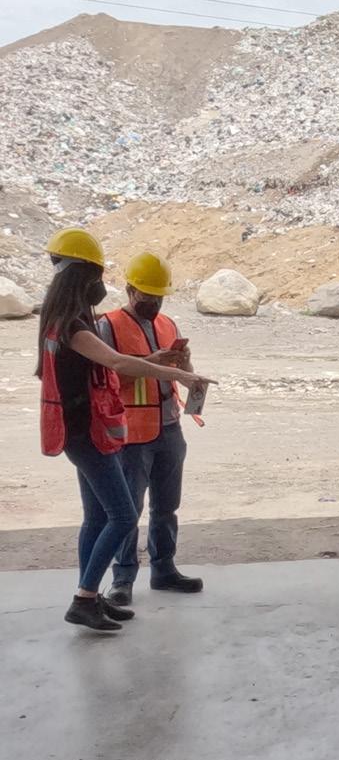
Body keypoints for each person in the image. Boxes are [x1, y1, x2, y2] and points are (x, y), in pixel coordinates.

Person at [36, 229, 213, 631]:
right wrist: (172, 371)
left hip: (92, 431)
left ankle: (92, 596)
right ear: (84, 278)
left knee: (97, 518)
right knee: (123, 514)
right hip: (93, 434)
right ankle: (86, 598)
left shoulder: (65, 321)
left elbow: (102, 366)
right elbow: (117, 364)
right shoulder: (76, 326)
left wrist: (171, 365)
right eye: (96, 275)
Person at [99, 253, 202, 606]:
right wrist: (148, 365)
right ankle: (123, 578)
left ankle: (164, 570)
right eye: (147, 296)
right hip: (130, 434)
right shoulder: (107, 326)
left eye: (159, 296)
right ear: (129, 290)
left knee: (166, 506)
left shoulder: (168, 325)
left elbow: (177, 371)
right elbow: (104, 376)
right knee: (127, 510)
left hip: (169, 428)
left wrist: (185, 366)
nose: (154, 303)